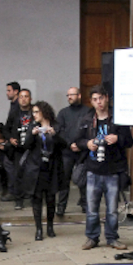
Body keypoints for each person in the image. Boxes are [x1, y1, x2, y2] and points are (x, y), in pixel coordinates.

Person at [75, 85, 133, 251]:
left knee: (112, 210)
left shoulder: (117, 119)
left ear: (107, 98)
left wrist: (118, 138)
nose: (98, 102)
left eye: (101, 98)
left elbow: (130, 141)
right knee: (92, 209)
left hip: (113, 170)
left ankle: (112, 238)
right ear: (91, 102)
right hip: (93, 170)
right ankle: (92, 238)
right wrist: (87, 143)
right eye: (95, 99)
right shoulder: (87, 120)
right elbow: (77, 140)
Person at [21, 101, 67, 241]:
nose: (34, 115)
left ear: (44, 112)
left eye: (36, 112)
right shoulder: (32, 126)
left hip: (52, 167)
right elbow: (25, 146)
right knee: (37, 199)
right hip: (36, 168)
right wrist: (32, 134)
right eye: (33, 112)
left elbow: (64, 144)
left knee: (51, 198)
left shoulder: (56, 125)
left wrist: (54, 134)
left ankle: (50, 227)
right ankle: (39, 229)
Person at [56, 87, 92, 215]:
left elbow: (91, 130)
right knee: (64, 180)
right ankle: (61, 207)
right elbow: (59, 131)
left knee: (83, 180)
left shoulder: (88, 112)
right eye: (68, 95)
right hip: (67, 152)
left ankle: (85, 205)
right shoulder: (63, 113)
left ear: (79, 95)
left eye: (72, 95)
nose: (69, 97)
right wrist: (69, 144)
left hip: (83, 152)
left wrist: (81, 145)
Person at [4, 89, 33, 209]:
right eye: (21, 97)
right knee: (17, 174)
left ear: (30, 98)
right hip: (18, 149)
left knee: (32, 173)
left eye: (26, 96)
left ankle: (34, 198)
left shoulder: (35, 111)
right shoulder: (14, 113)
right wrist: (10, 139)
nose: (23, 99)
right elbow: (6, 129)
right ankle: (18, 200)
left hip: (33, 148)